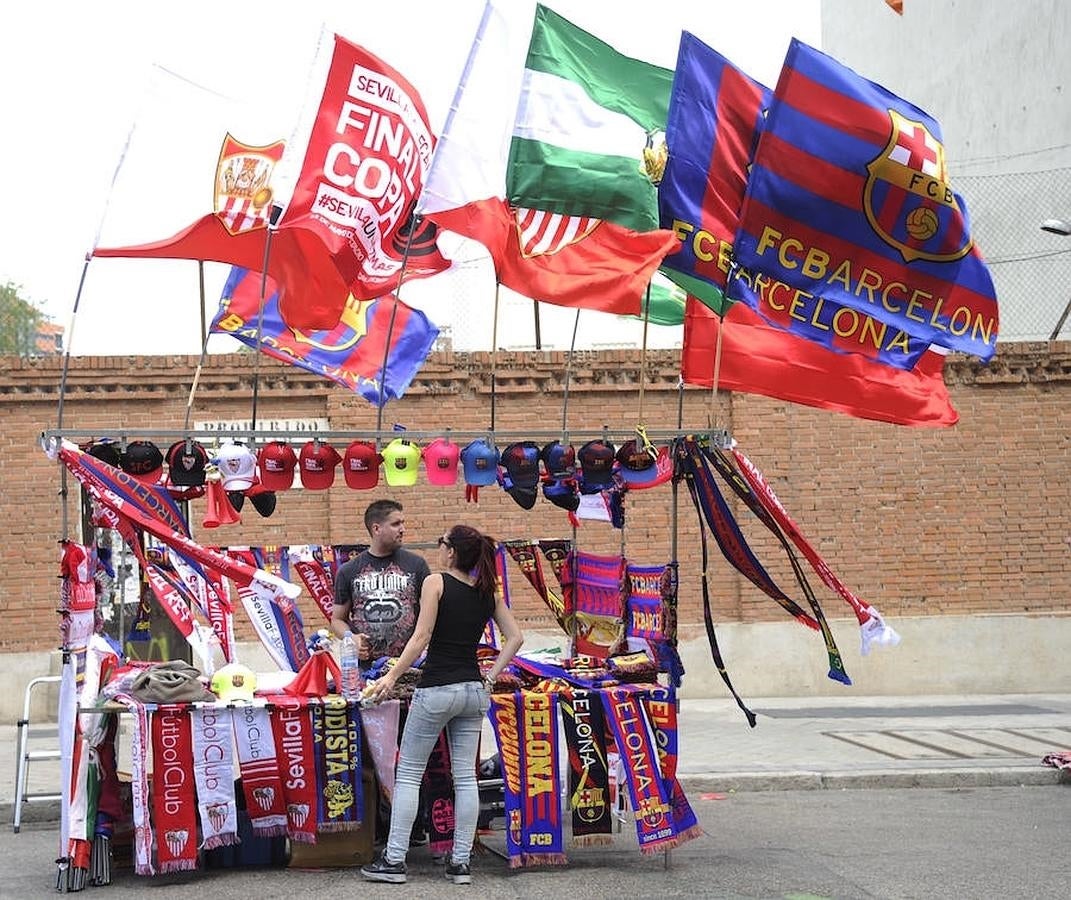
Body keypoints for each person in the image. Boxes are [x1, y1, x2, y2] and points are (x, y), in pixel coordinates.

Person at [360, 524, 524, 886]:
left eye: (442, 543)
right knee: (465, 778)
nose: (439, 548)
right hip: (472, 690)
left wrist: (390, 677)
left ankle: (394, 860)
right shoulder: (487, 592)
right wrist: (491, 676)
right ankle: (460, 863)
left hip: (437, 688)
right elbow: (516, 637)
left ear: (451, 552)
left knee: (409, 774)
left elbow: (421, 638)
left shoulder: (436, 582)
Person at [331, 499, 431, 666]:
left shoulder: (417, 565)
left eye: (403, 523)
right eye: (396, 524)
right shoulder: (348, 571)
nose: (402, 529)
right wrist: (351, 639)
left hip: (410, 665)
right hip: (367, 668)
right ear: (376, 528)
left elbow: (433, 613)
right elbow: (337, 620)